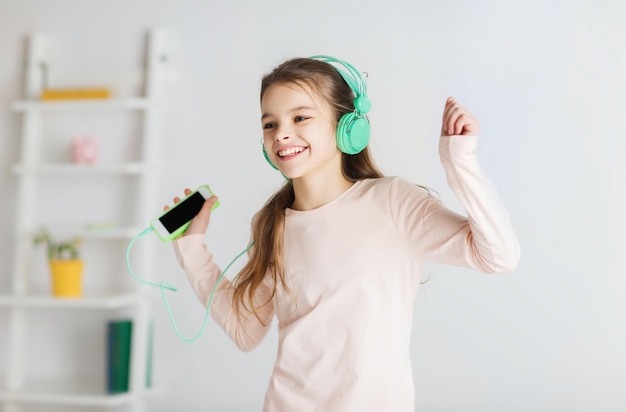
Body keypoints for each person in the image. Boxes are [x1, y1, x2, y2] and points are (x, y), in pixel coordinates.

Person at [168, 56, 520, 411]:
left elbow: (498, 256)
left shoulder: (392, 202)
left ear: (346, 124)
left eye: (300, 117)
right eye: (270, 123)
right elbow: (246, 331)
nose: (282, 134)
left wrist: (460, 162)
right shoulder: (269, 223)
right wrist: (191, 248)